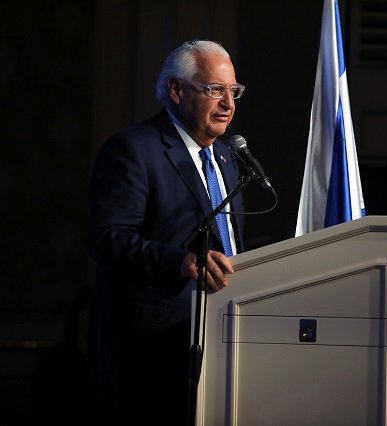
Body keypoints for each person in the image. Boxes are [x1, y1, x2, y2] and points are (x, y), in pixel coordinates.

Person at [86, 39, 247, 425]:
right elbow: (107, 236)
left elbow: (231, 246)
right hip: (152, 351)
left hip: (225, 338)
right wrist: (181, 263)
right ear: (176, 90)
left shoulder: (226, 158)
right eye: (214, 90)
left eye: (233, 91)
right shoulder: (134, 149)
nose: (228, 104)